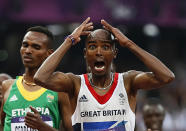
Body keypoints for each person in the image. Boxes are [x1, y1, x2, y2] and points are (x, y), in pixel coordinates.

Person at [33, 17, 175, 131]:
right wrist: (69, 40)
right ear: (85, 54)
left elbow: (167, 77)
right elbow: (40, 78)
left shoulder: (128, 81)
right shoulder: (75, 83)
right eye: (93, 47)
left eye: (106, 47)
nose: (99, 52)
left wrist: (129, 44)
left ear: (114, 53)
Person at [0, 26, 72, 131]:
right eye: (25, 45)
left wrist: (43, 127)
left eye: (36, 47)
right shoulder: (7, 86)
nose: (28, 51)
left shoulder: (59, 89)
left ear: (49, 54)